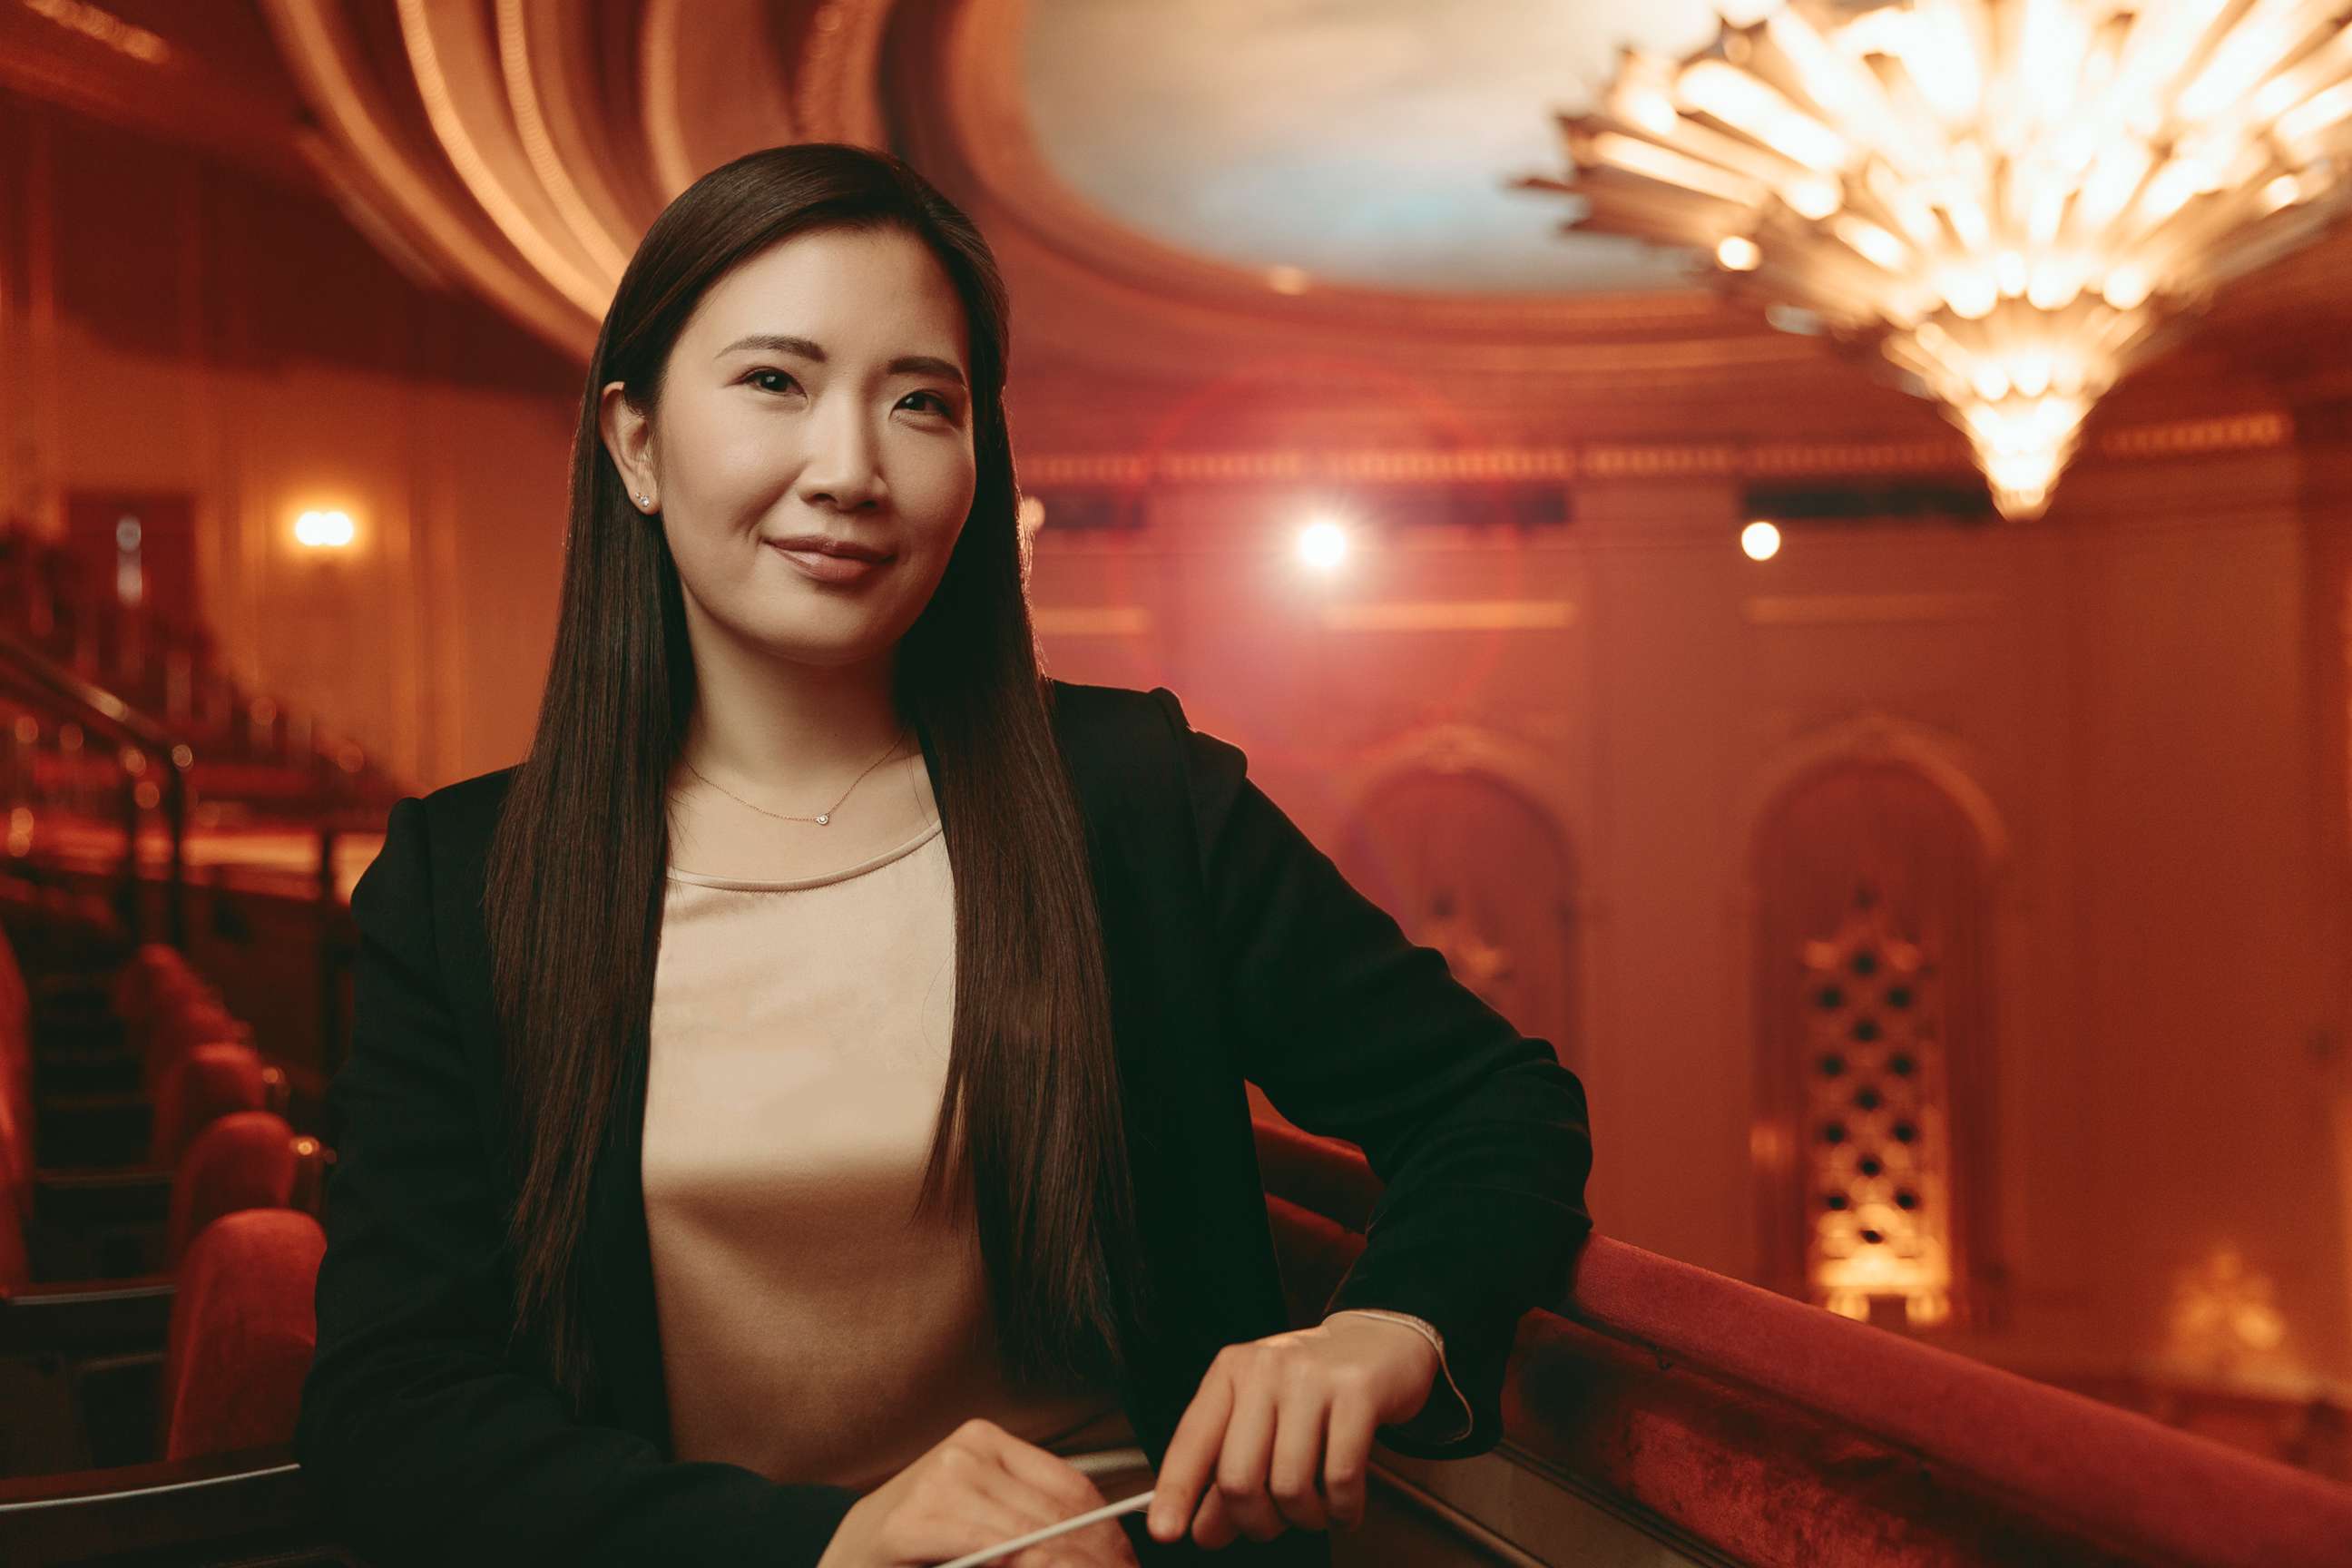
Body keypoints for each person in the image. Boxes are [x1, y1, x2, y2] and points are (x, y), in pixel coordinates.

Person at [292, 142, 1595, 1568]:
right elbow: (393, 1416)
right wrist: (829, 1543)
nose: (851, 470)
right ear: (637, 443)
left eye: (923, 403)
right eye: (776, 382)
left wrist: (1381, 1327)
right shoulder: (463, 885)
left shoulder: (1135, 801)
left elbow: (1492, 1101)